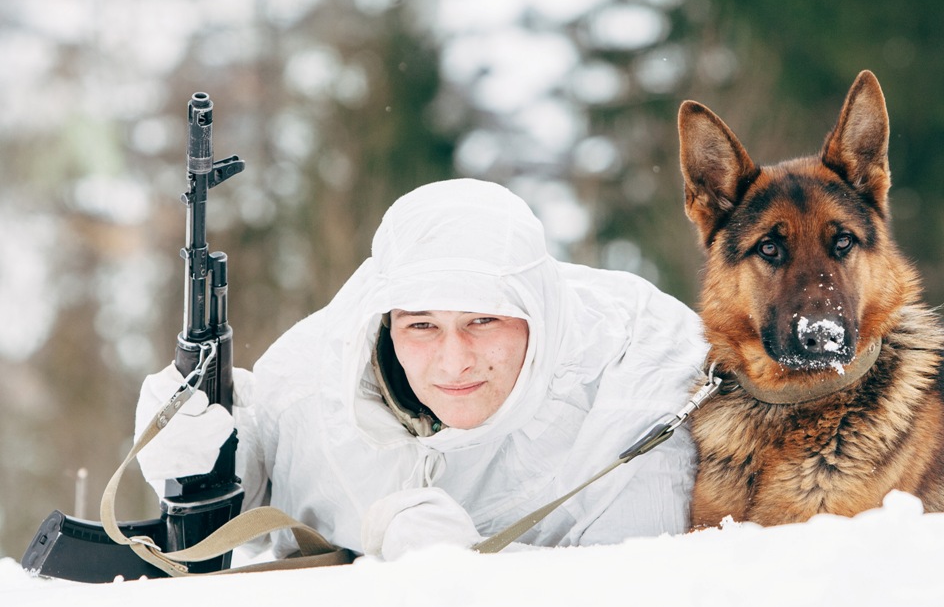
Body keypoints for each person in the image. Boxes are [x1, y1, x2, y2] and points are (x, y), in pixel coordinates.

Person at [135, 178, 707, 561]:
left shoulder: (638, 374)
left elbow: (638, 600)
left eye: (484, 322)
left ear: (539, 312)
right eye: (422, 326)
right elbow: (269, 475)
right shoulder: (313, 377)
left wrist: (464, 570)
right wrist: (206, 456)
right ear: (386, 322)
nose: (454, 361)